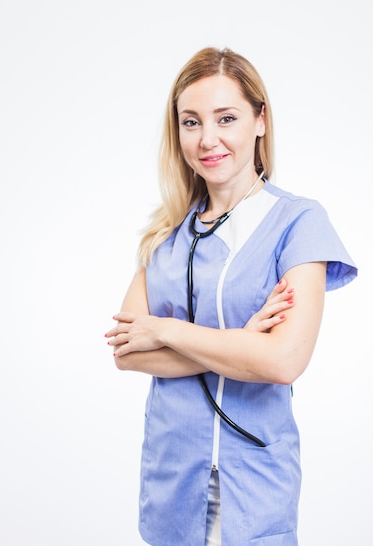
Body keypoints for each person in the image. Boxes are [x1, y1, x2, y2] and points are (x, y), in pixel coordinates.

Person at [105, 47, 357, 546]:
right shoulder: (166, 235)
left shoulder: (298, 223)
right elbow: (127, 353)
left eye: (227, 118)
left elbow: (283, 359)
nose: (208, 139)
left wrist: (167, 329)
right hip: (172, 479)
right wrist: (241, 343)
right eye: (191, 122)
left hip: (254, 483)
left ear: (260, 121)